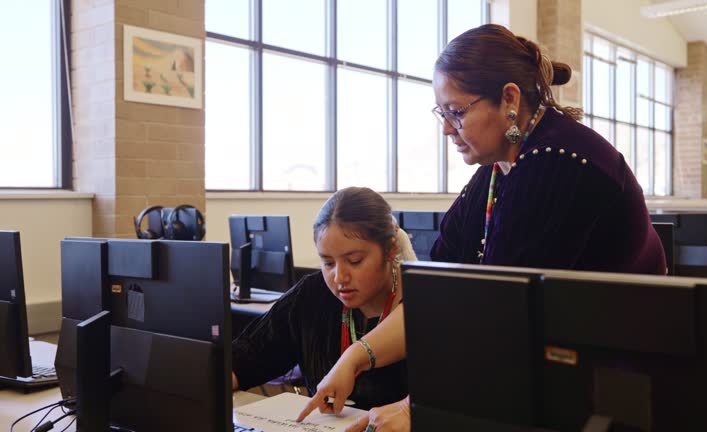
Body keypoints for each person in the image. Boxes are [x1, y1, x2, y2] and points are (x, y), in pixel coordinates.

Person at [297, 24, 666, 431]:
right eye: (443, 113)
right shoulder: (498, 168)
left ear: (509, 98)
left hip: (611, 385)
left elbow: (502, 320)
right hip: (548, 372)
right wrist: (355, 358)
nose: (447, 129)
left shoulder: (558, 163)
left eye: (457, 111)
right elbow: (438, 293)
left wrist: (412, 408)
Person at [231, 186, 416, 411]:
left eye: (355, 260)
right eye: (328, 263)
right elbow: (246, 360)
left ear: (390, 250)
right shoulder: (312, 295)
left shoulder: (423, 303)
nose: (339, 277)